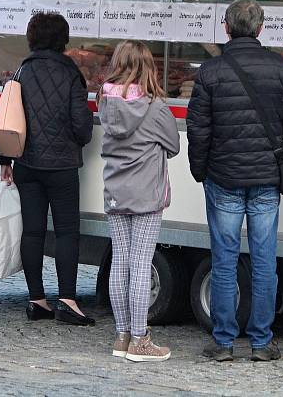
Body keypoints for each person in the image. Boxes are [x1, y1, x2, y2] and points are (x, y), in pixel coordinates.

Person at [186, 0, 283, 362]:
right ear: (260, 28)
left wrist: (199, 169)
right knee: (263, 260)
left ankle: (223, 342)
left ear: (226, 28)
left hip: (223, 177)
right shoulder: (281, 70)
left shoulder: (210, 72)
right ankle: (261, 341)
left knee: (224, 261)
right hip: (267, 179)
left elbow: (198, 129)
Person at [0, 12, 95, 326]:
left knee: (33, 231)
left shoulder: (21, 71)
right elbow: (82, 126)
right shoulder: (71, 73)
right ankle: (67, 299)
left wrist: (5, 160)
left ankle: (36, 299)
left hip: (27, 163)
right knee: (66, 231)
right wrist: (79, 139)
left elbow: (8, 118)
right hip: (62, 165)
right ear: (62, 39)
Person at [98, 40, 180, 362]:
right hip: (146, 195)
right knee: (141, 264)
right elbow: (172, 145)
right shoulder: (155, 107)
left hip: (115, 193)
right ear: (148, 67)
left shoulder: (105, 102)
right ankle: (141, 340)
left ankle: (122, 336)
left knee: (121, 261)